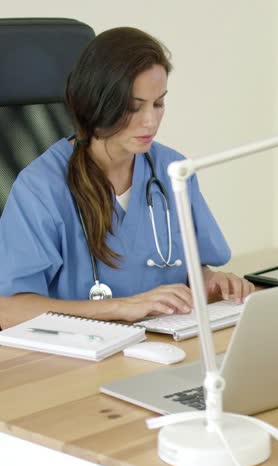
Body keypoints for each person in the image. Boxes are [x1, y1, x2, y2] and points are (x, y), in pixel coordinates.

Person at [0, 27, 254, 329]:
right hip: (78, 356)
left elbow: (190, 267)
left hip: (163, 344)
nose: (151, 121)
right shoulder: (42, 187)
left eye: (158, 103)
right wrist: (120, 308)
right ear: (98, 102)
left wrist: (211, 282)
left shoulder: (172, 169)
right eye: (134, 107)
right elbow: (10, 310)